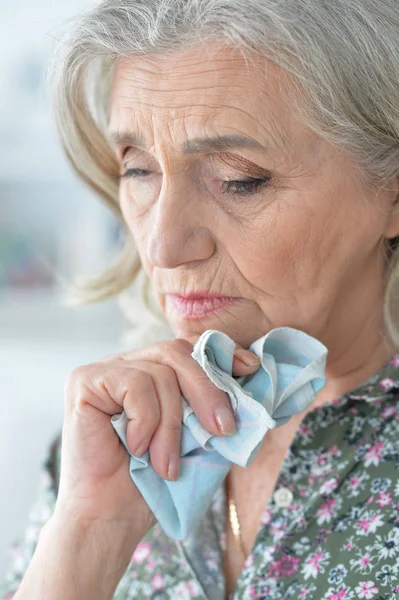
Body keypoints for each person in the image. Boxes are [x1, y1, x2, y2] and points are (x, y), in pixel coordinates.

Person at [2, 0, 399, 597]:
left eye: (239, 177)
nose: (161, 248)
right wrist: (86, 538)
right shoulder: (106, 442)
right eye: (138, 170)